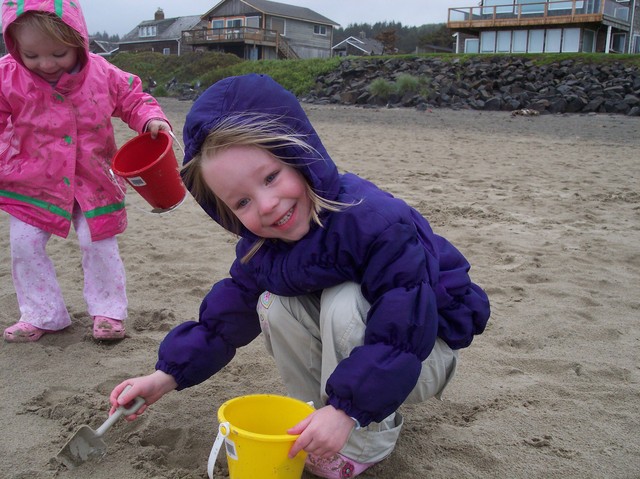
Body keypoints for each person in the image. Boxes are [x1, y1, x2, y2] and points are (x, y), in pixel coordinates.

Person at [110, 74, 490, 478]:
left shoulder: (376, 223)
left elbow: (403, 328)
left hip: (425, 348)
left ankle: (360, 435)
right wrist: (164, 376)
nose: (269, 205)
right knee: (272, 303)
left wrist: (348, 410)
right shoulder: (262, 246)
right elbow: (222, 322)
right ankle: (317, 420)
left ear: (298, 155)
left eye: (271, 177)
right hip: (380, 347)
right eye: (242, 201)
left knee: (345, 301)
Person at [0, 0, 171, 342]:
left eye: (58, 54)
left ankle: (108, 313)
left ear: (78, 41)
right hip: (32, 181)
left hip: (93, 179)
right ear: (15, 46)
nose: (45, 64)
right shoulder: (8, 76)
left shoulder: (102, 73)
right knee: (24, 245)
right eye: (31, 56)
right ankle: (42, 313)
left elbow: (134, 98)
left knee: (97, 245)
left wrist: (151, 118)